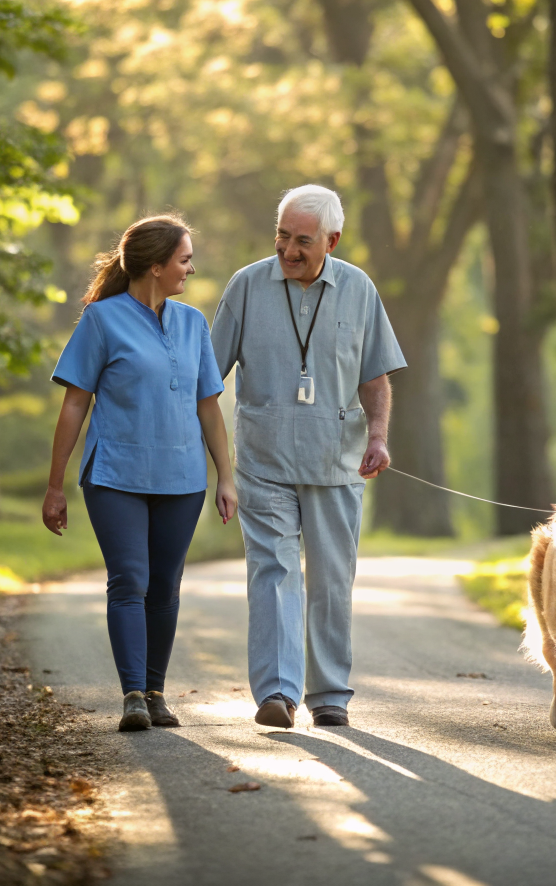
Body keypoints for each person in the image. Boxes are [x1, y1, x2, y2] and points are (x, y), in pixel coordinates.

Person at [210, 185, 405, 729]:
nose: (288, 250)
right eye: (281, 236)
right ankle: (277, 692)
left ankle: (329, 696)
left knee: (330, 579)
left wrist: (379, 438)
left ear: (331, 240)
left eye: (302, 241)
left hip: (337, 461)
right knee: (272, 572)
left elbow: (375, 376)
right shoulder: (246, 286)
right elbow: (207, 375)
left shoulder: (359, 289)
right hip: (263, 460)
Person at [42, 215, 237, 732]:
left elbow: (210, 409)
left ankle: (155, 692)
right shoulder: (101, 321)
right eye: (185, 260)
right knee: (129, 579)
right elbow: (73, 407)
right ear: (156, 266)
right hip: (115, 475)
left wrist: (226, 476)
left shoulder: (194, 323)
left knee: (164, 587)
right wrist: (54, 484)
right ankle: (132, 695)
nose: (191, 269)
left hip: (182, 479)